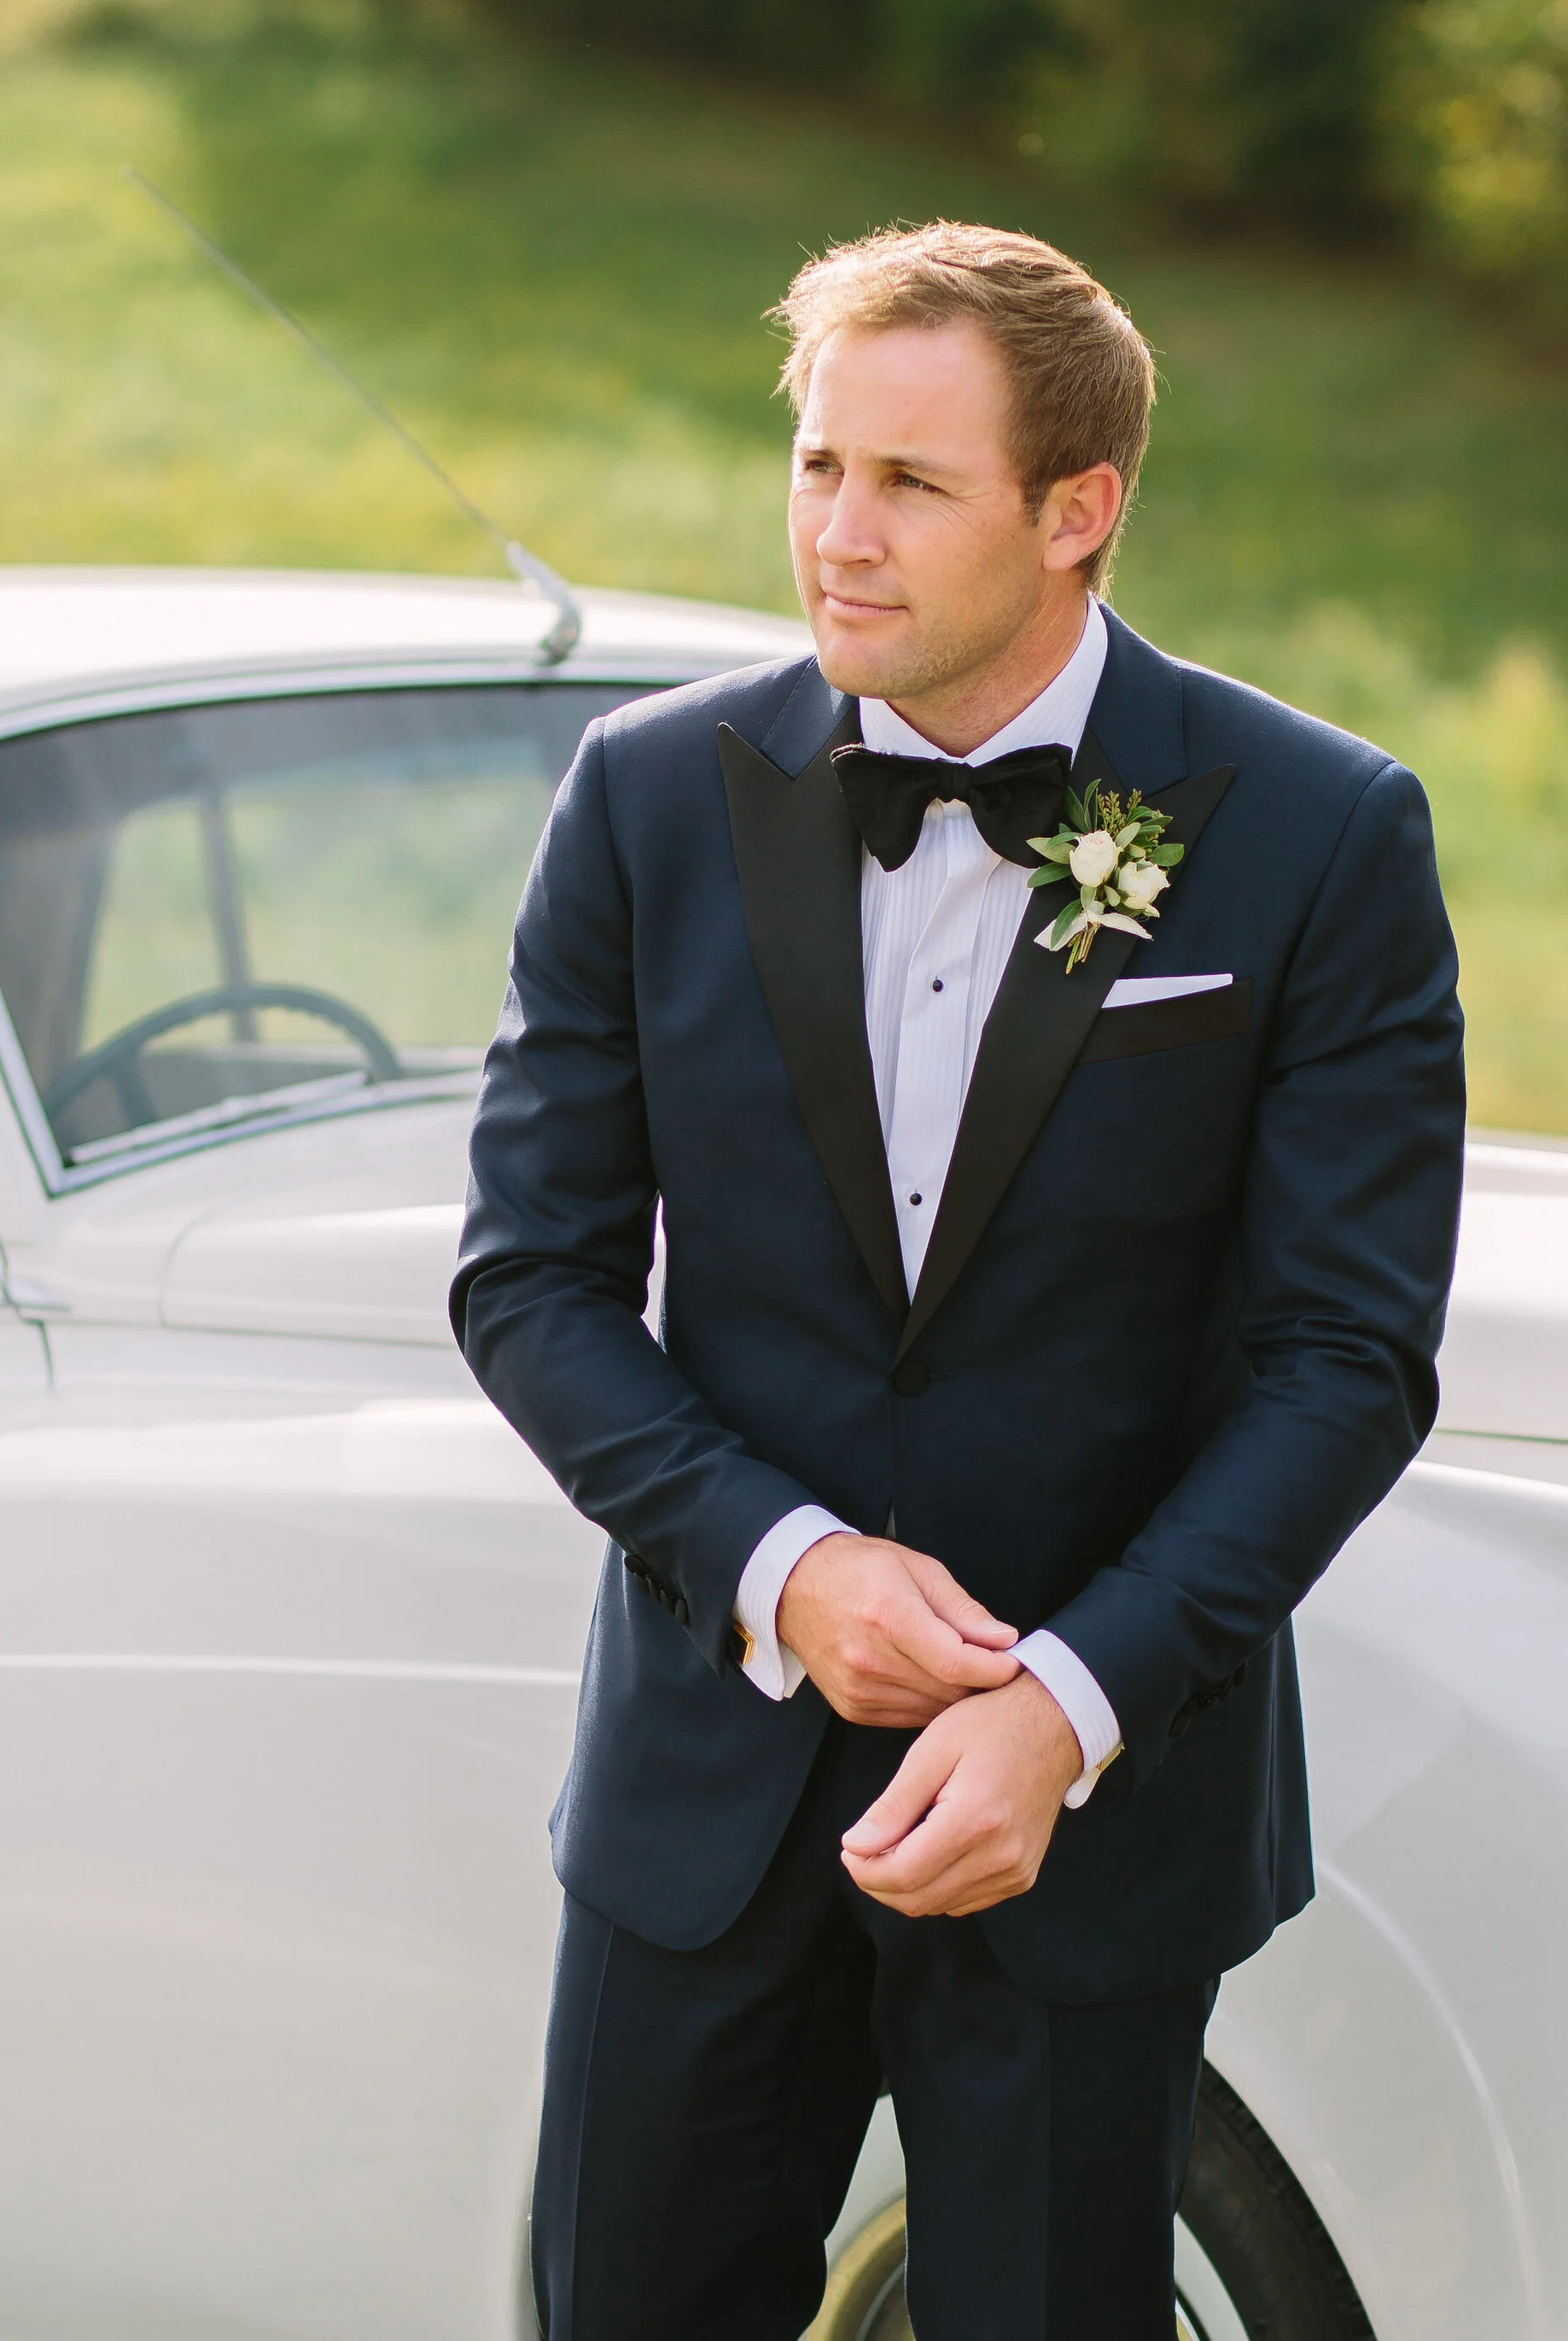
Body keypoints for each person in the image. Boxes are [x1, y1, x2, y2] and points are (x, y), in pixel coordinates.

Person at [452, 221, 1465, 2341]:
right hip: (705, 1790)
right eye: (819, 468)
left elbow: (1341, 1357)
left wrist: (1069, 1704)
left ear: (1076, 510)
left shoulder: (1314, 829)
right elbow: (531, 1279)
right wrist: (784, 1565)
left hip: (1086, 1816)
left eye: (910, 484)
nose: (840, 534)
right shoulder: (648, 798)